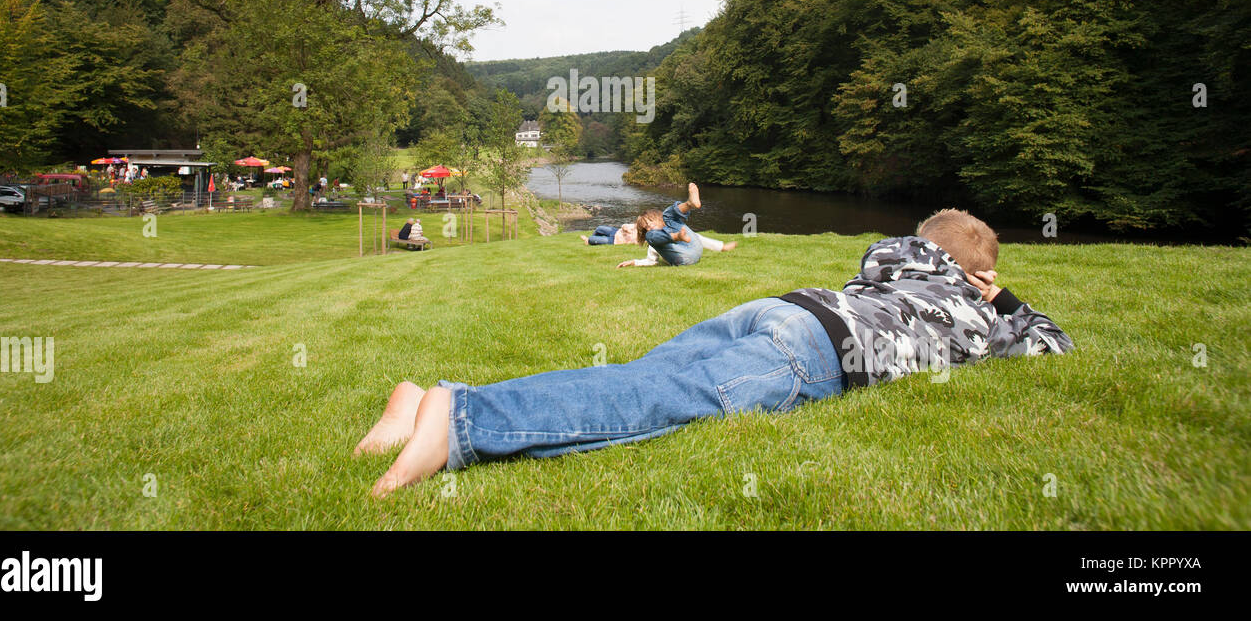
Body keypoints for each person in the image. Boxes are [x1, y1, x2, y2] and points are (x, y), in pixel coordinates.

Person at [355, 208, 1074, 495]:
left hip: (783, 309)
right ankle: (458, 416)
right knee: (654, 402)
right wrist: (996, 298)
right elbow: (1050, 344)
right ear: (973, 271)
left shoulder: (890, 262)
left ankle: (420, 399)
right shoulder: (964, 305)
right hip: (821, 351)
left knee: (639, 374)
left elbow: (910, 263)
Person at [617, 182, 736, 268]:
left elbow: (698, 239)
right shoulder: (653, 241)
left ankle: (690, 203)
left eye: (650, 222)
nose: (649, 227)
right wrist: (633, 262)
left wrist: (722, 247)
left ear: (657, 218)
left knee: (668, 215)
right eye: (646, 227)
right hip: (682, 259)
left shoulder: (672, 225)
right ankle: (674, 237)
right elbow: (651, 261)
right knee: (651, 236)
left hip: (694, 251)